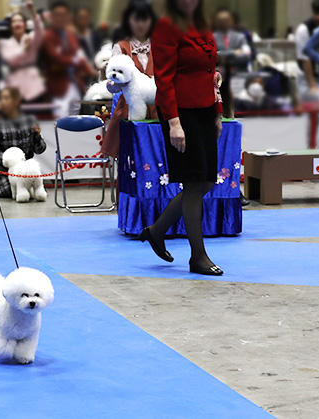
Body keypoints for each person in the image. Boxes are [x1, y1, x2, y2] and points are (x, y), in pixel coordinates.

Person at [144, 0, 223, 276]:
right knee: (194, 182)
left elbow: (210, 73)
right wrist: (174, 123)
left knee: (205, 182)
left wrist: (218, 112)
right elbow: (163, 79)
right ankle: (198, 257)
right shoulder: (166, 26)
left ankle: (156, 231)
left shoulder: (203, 24)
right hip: (181, 114)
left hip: (205, 110)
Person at [100, 0, 157, 158]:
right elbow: (113, 82)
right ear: (128, 21)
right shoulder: (121, 46)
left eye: (144, 19)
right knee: (130, 158)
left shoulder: (160, 45)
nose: (140, 24)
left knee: (157, 158)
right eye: (136, 19)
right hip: (129, 108)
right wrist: (113, 84)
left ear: (151, 21)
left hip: (159, 108)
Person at [0, 87, 46, 198]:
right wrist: (11, 162)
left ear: (16, 101)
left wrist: (37, 136)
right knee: (8, 192)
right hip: (5, 169)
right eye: (1, 99)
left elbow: (40, 149)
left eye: (6, 98)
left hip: (25, 168)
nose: (2, 102)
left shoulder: (30, 121)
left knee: (33, 186)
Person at [41, 1, 95, 118]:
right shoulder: (47, 36)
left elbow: (79, 55)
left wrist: (91, 70)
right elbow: (55, 58)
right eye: (57, 14)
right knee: (60, 121)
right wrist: (75, 60)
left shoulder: (70, 34)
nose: (60, 18)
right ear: (52, 16)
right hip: (58, 86)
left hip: (75, 83)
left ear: (68, 17)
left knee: (74, 117)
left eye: (63, 15)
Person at [0, 1, 46, 102]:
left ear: (24, 24)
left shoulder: (31, 37)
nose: (17, 24)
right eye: (14, 21)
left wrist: (32, 10)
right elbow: (11, 60)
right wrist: (25, 48)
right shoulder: (3, 43)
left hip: (34, 85)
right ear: (10, 26)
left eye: (20, 21)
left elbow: (40, 30)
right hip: (14, 85)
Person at [295, 0, 319, 96]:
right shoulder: (303, 29)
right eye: (316, 13)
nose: (318, 17)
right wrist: (312, 85)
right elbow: (305, 59)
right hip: (307, 78)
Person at [212, 8, 251, 72]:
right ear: (216, 22)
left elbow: (246, 54)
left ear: (232, 21)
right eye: (221, 21)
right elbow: (213, 54)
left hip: (239, 72)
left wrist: (223, 57)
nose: (223, 23)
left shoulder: (240, 37)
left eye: (226, 20)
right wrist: (234, 52)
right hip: (219, 73)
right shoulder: (212, 37)